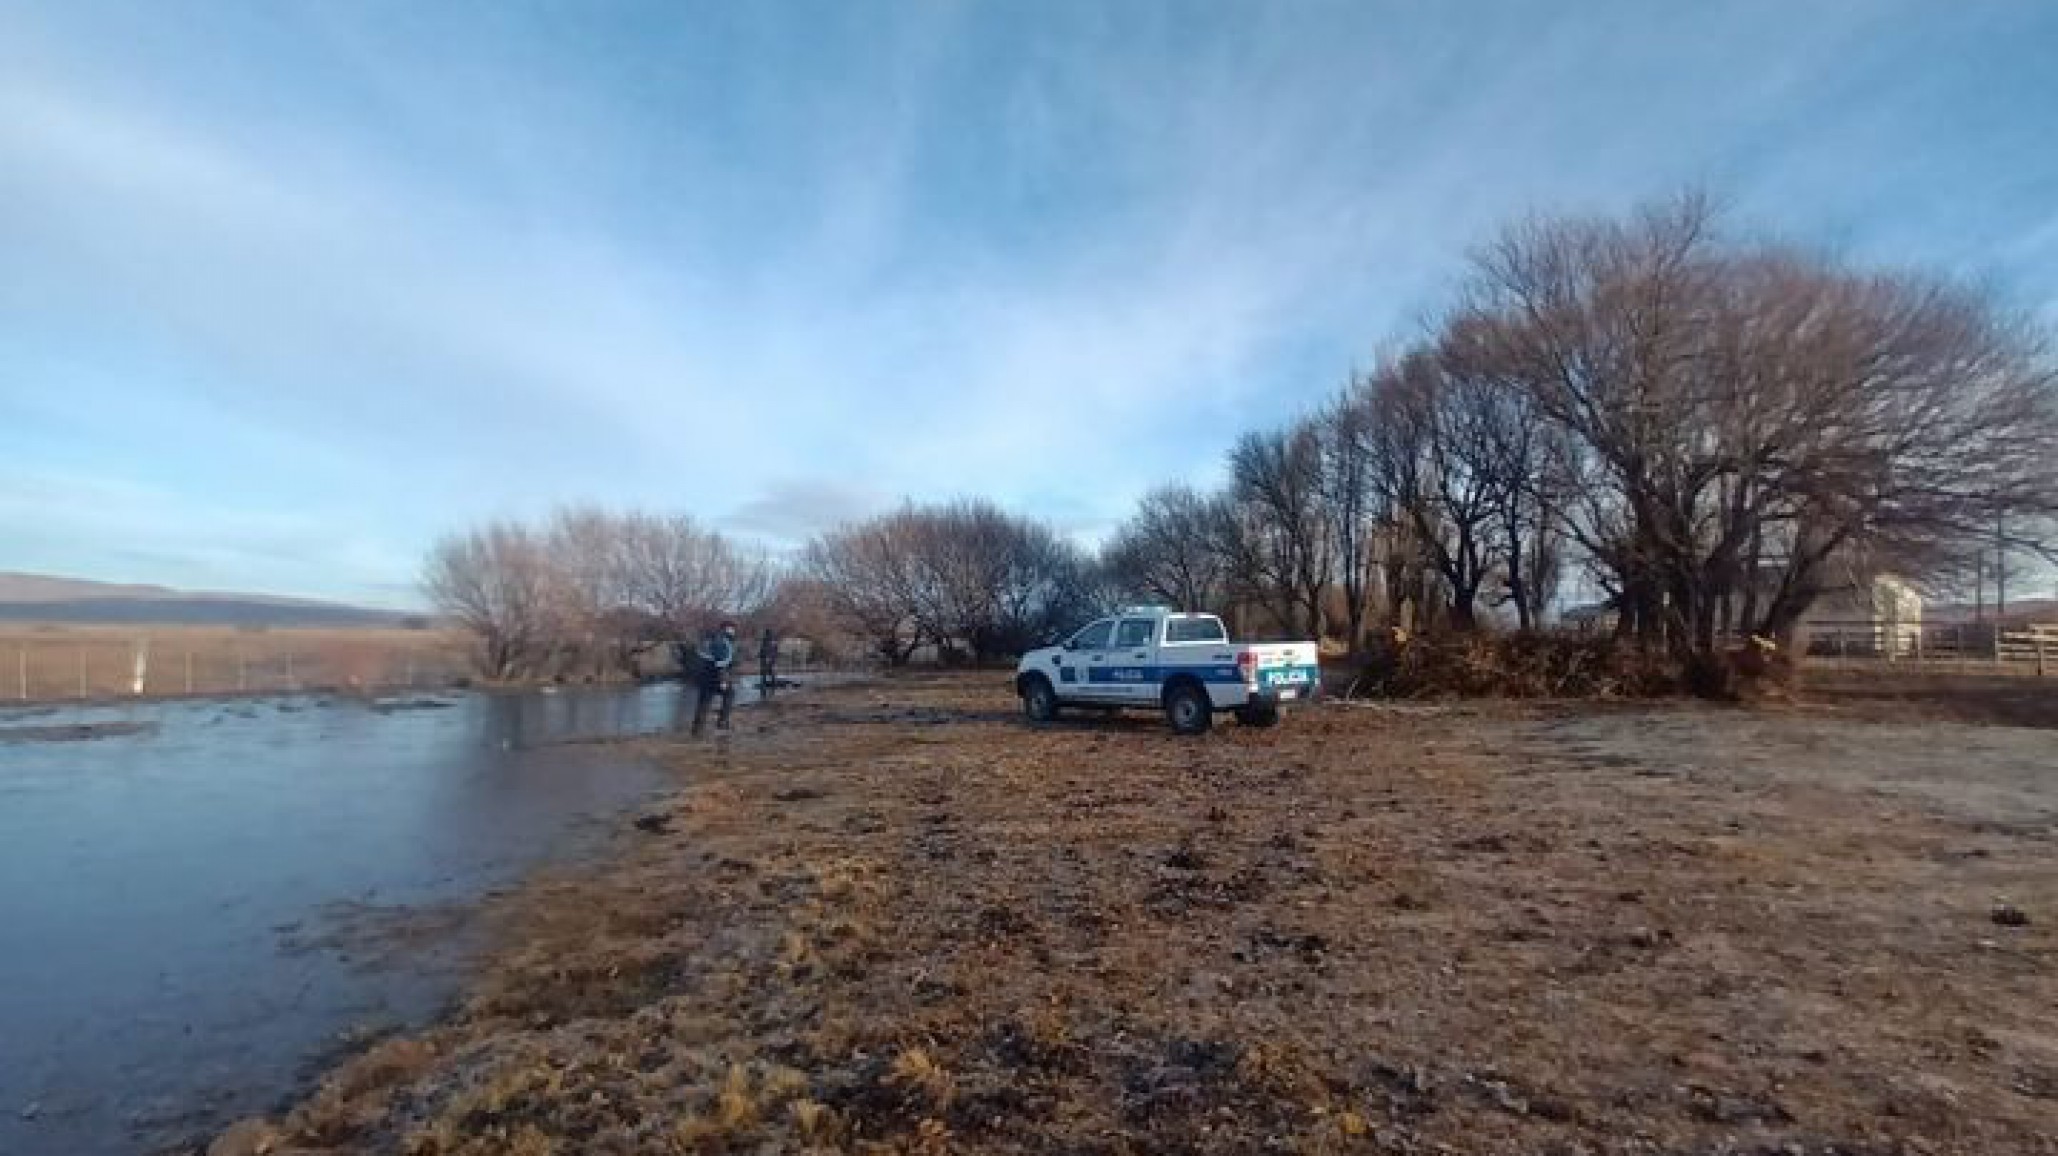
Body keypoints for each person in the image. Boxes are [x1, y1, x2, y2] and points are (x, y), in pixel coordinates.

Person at [691, 621, 738, 736]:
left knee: (704, 702)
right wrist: (723, 680)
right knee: (730, 694)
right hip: (715, 676)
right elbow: (721, 663)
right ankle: (722, 723)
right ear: (726, 629)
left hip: (704, 676)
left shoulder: (710, 640)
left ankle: (697, 729)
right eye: (732, 629)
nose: (734, 631)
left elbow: (701, 657)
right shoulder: (723, 642)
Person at [758, 627, 778, 699]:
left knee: (764, 674)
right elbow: (775, 651)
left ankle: (765, 687)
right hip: (771, 659)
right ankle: (772, 686)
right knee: (771, 673)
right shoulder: (773, 641)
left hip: (766, 659)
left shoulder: (765, 641)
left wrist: (763, 656)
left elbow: (764, 650)